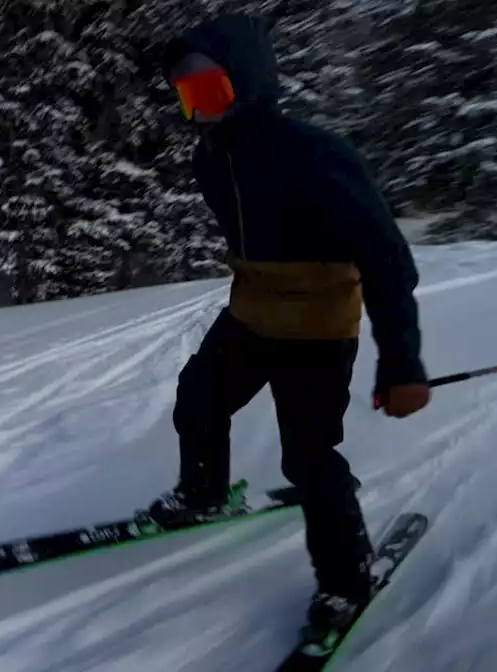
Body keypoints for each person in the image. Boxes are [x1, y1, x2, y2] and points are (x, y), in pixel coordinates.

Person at [143, 14, 431, 631]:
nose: (198, 104)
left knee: (308, 458)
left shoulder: (314, 152)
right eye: (187, 92)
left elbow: (387, 261)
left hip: (318, 328)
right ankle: (202, 493)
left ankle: (346, 581)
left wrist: (402, 362)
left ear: (245, 82)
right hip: (252, 315)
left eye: (210, 88)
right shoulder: (211, 159)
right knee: (197, 399)